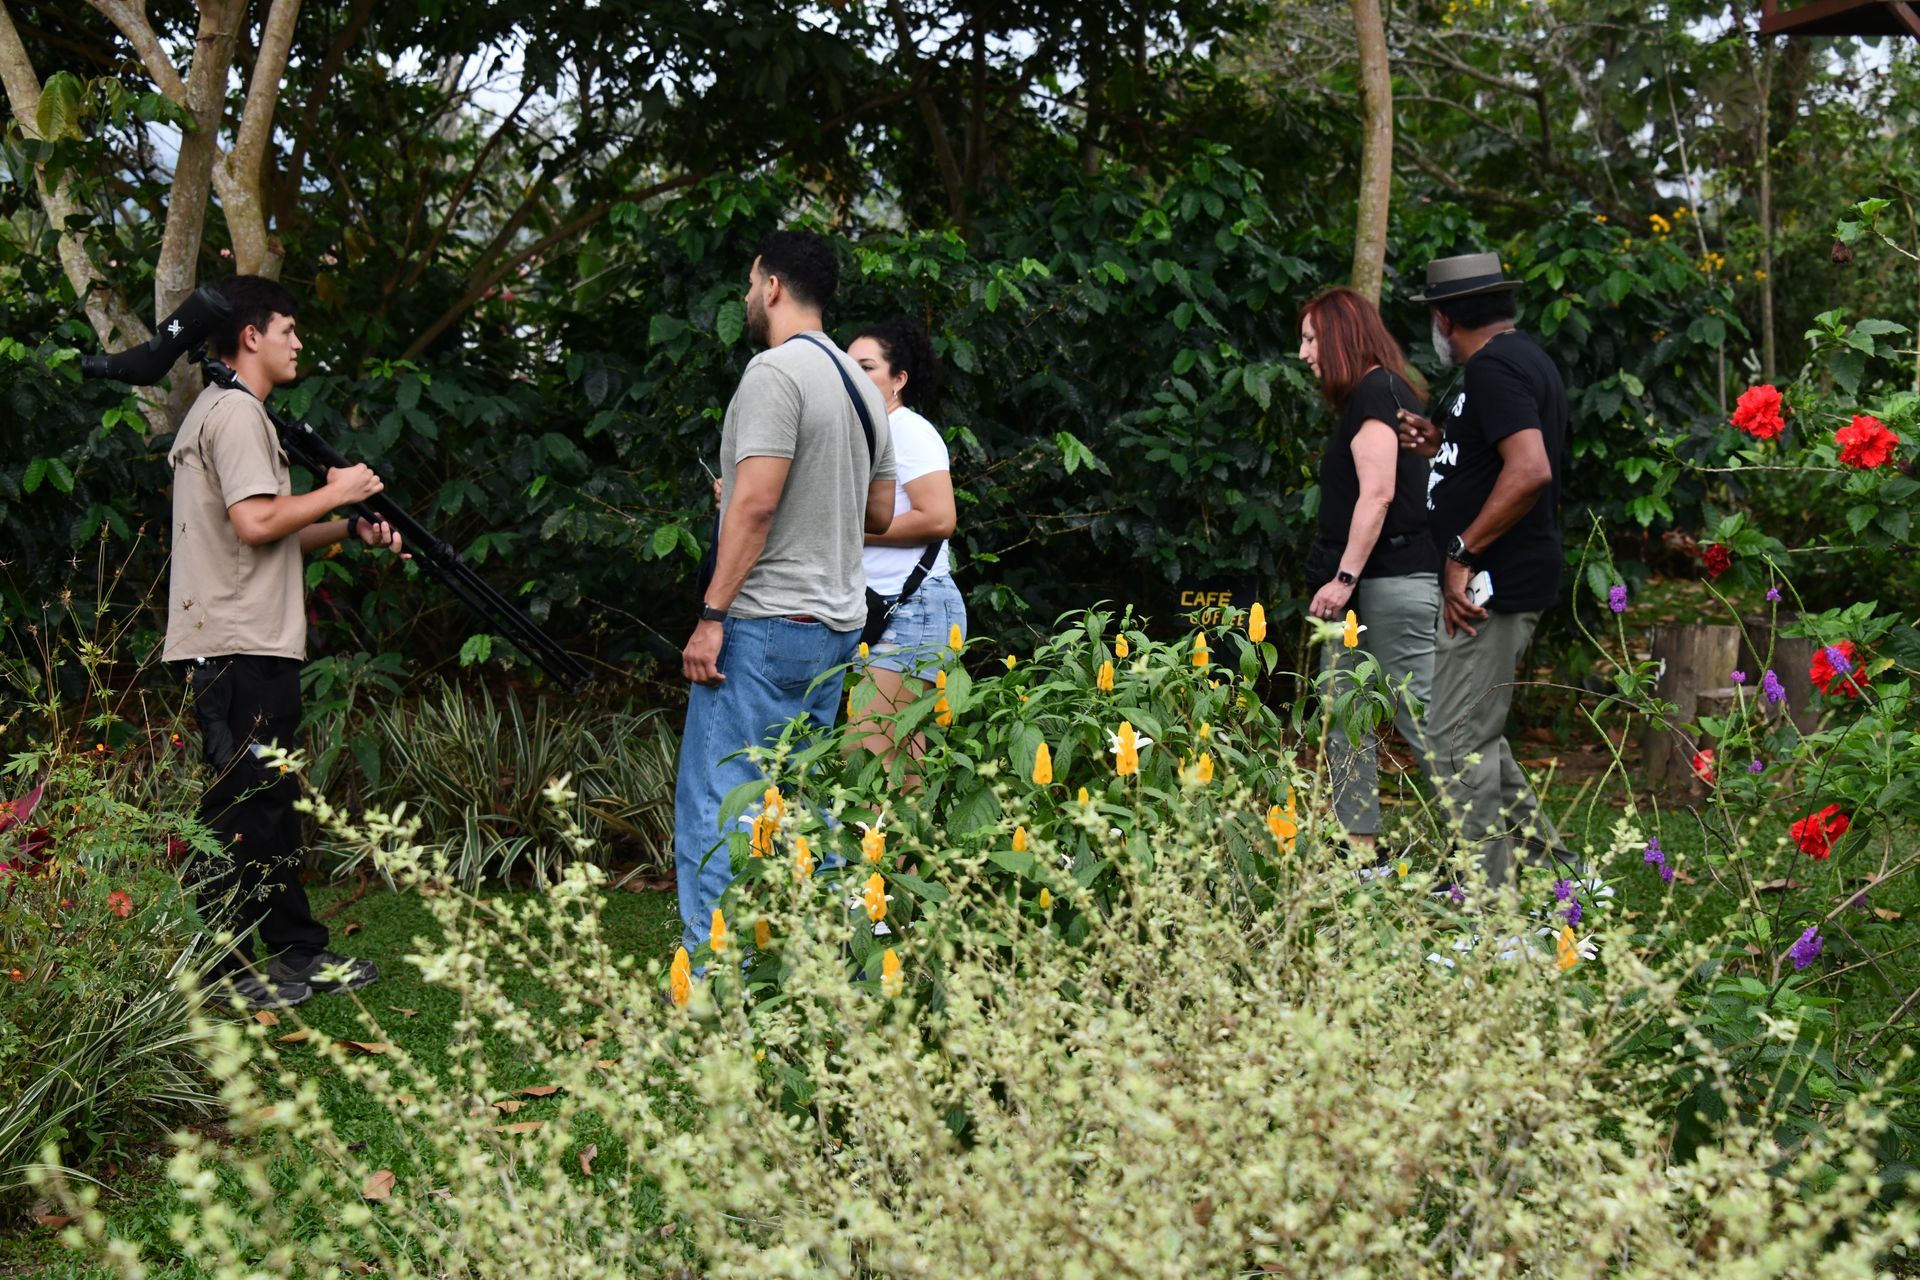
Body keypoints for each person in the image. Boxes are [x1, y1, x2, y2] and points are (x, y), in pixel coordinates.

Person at [165, 274, 399, 1010]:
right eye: (289, 330)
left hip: (243, 641)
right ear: (251, 336)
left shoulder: (232, 411)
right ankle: (255, 968)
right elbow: (257, 524)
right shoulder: (235, 414)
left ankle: (283, 956)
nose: (299, 343)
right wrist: (343, 490)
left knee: (260, 805)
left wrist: (346, 530)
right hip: (241, 646)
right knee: (253, 812)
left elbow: (271, 534)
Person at [674, 230, 897, 953]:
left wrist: (712, 614)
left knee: (722, 804)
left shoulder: (774, 373)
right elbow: (879, 514)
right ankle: (830, 970)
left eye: (749, 283)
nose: (745, 297)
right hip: (834, 629)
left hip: (765, 625)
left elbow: (758, 504)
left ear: (772, 285)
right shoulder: (863, 388)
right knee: (804, 807)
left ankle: (717, 986)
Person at [1394, 252, 1570, 888]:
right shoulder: (1516, 360)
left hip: (1489, 583)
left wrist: (1460, 554)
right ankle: (1560, 877)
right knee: (1476, 734)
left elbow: (1530, 470)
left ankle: (1492, 904)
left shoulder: (1494, 369)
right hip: (1502, 577)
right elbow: (1494, 458)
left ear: (1443, 318)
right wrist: (1439, 441)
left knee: (1451, 739)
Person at [1297, 287, 1440, 865]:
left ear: (1339, 336)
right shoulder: (1367, 395)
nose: (1304, 353)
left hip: (1386, 584)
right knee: (1347, 715)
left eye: (1310, 339)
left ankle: (1493, 843)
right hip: (1362, 589)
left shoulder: (1380, 391)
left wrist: (1344, 578)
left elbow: (1378, 495)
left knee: (1423, 719)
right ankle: (1359, 851)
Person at [847, 316, 962, 772]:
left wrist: (850, 529)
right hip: (886, 610)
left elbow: (939, 517)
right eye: (848, 367)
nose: (855, 377)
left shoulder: (907, 431)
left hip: (911, 609)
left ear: (899, 379)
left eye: (867, 367)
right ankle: (917, 847)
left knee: (871, 764)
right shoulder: (872, 434)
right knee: (898, 769)